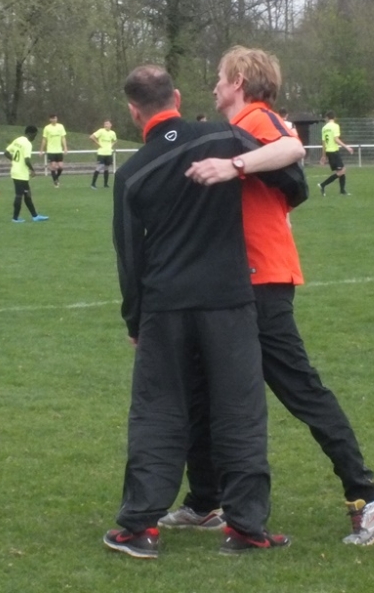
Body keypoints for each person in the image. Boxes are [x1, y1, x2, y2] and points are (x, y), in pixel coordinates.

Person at [166, 46, 374, 547]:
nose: (214, 86)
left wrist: (234, 165)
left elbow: (292, 149)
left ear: (240, 81)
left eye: (220, 77)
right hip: (234, 282)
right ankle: (205, 500)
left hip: (263, 280)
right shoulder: (235, 126)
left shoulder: (256, 117)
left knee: (298, 387)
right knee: (202, 388)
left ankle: (367, 491)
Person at [104, 64, 306, 560]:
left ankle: (139, 528)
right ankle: (246, 527)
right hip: (229, 300)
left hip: (165, 306)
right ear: (176, 97)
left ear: (134, 112)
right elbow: (292, 178)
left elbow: (129, 257)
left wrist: (135, 322)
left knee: (158, 411)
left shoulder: (132, 174)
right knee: (240, 411)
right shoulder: (222, 137)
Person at [6, 125, 49, 223]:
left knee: (27, 194)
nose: (35, 137)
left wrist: (14, 160)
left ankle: (35, 216)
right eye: (35, 135)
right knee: (19, 195)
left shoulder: (17, 140)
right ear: (30, 134)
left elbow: (6, 153)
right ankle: (15, 218)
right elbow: (27, 160)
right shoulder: (27, 144)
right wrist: (32, 170)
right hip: (21, 173)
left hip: (16, 171)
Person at [318, 111, 354, 196]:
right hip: (334, 151)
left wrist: (324, 155)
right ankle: (323, 185)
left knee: (341, 170)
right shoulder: (335, 126)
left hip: (329, 152)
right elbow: (336, 139)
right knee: (342, 170)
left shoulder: (324, 128)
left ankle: (342, 191)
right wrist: (347, 147)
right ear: (334, 118)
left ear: (327, 118)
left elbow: (323, 143)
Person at [40, 114, 68, 187]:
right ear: (50, 120)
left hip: (59, 150)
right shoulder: (47, 128)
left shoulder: (61, 126)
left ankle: (56, 178)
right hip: (51, 150)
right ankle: (55, 182)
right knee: (54, 166)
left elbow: (63, 138)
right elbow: (44, 139)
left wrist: (65, 148)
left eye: (55, 118)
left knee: (61, 167)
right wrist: (41, 150)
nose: (54, 120)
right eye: (53, 118)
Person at [90, 120, 118, 189]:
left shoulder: (112, 133)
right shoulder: (101, 131)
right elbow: (92, 137)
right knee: (100, 167)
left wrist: (111, 145)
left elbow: (115, 140)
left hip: (108, 153)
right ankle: (93, 184)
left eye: (107, 124)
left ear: (110, 125)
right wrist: (98, 144)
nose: (106, 125)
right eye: (105, 124)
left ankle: (105, 184)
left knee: (106, 168)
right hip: (101, 153)